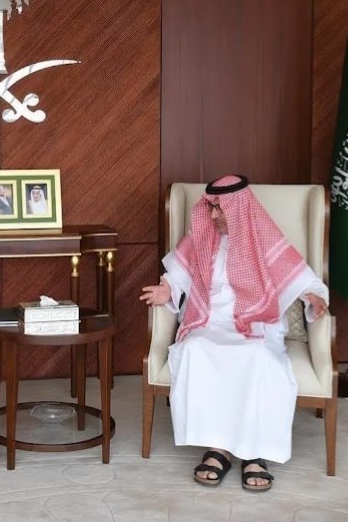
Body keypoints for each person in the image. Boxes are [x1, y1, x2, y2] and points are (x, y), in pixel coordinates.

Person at [139, 175, 328, 492]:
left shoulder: (264, 237)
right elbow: (178, 274)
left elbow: (304, 279)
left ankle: (255, 453)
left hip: (254, 323)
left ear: (238, 209)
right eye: (211, 208)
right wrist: (166, 290)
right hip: (208, 321)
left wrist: (313, 297)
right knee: (195, 350)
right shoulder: (202, 235)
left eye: (220, 209)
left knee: (257, 357)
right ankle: (217, 449)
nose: (213, 215)